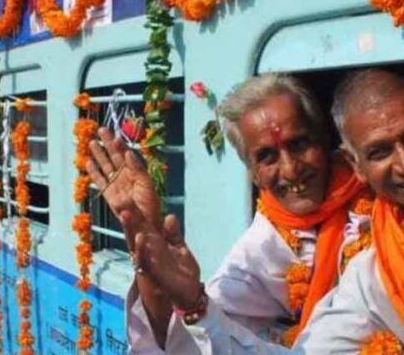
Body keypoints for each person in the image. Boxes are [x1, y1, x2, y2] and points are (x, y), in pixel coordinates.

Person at [131, 68, 404, 354]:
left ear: (326, 144)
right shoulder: (371, 274)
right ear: (357, 162)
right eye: (268, 156)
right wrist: (188, 302)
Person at [86, 74, 372, 353]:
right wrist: (159, 267)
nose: (290, 169)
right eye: (267, 157)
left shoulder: (380, 200)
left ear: (324, 140)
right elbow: (192, 343)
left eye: (299, 144)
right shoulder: (260, 247)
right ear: (254, 175)